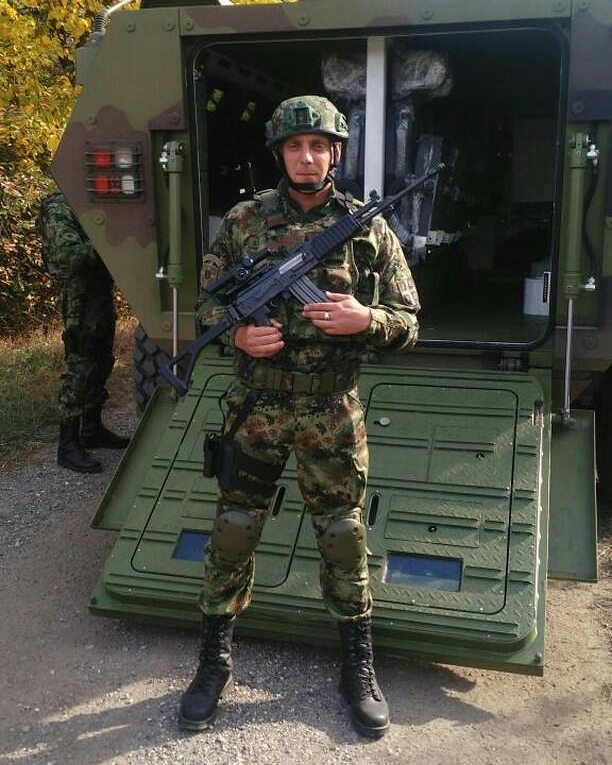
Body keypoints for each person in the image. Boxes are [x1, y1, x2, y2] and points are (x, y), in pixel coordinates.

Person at [179, 95, 420, 738]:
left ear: (335, 153)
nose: (306, 157)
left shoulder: (366, 228)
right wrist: (236, 335)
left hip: (331, 410)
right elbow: (206, 304)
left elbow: (409, 322)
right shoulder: (244, 221)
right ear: (279, 153)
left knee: (342, 535)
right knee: (234, 529)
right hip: (255, 406)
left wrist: (366, 320)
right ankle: (214, 661)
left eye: (318, 146)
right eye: (294, 146)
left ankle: (357, 665)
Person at [38, 190, 129, 473]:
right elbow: (69, 256)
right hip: (80, 299)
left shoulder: (86, 202)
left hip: (99, 294)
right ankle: (67, 446)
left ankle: (91, 430)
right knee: (81, 367)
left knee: (102, 362)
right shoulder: (59, 206)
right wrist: (109, 241)